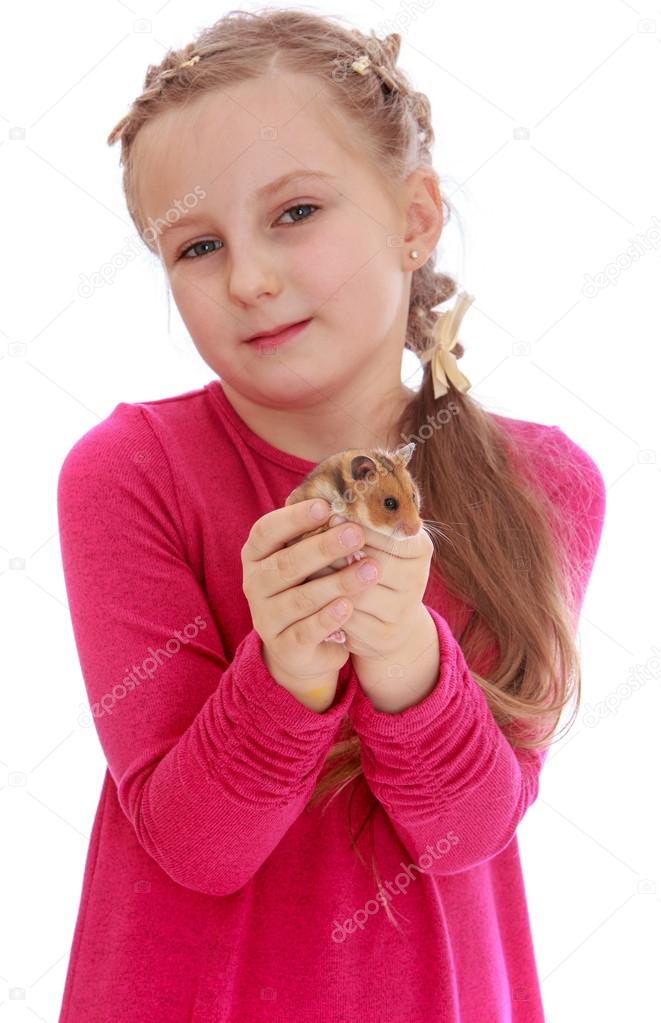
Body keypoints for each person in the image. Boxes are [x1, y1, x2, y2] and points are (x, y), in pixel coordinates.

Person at [56, 10, 606, 1023]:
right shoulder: (129, 473)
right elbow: (195, 847)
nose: (250, 279)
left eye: (296, 212)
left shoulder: (542, 482)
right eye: (197, 245)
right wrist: (287, 666)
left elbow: (465, 833)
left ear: (414, 216)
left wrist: (404, 656)